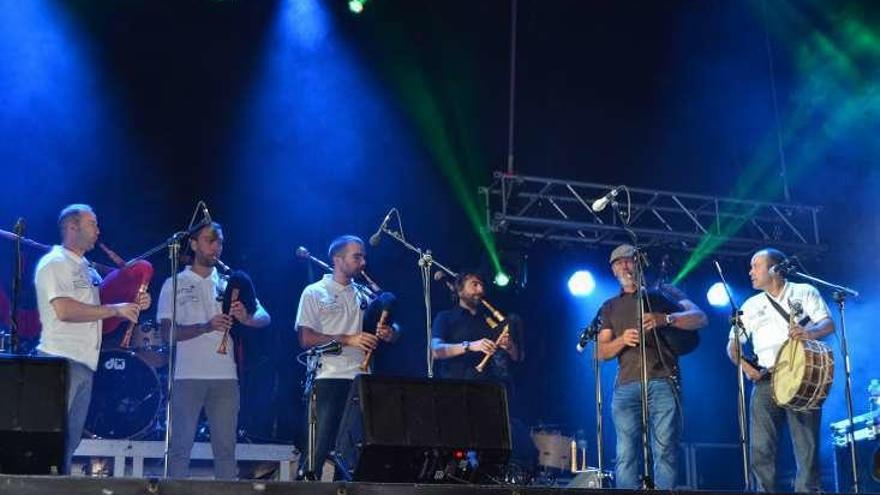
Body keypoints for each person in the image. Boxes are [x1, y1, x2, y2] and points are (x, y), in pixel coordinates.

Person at [34, 204, 151, 473]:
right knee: (51, 442)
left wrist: (132, 305)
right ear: (72, 228)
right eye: (92, 224)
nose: (98, 230)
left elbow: (100, 315)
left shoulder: (87, 269)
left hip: (84, 363)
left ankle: (55, 487)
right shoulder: (55, 263)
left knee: (69, 443)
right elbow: (64, 310)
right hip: (59, 362)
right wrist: (115, 309)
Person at [157, 222, 270, 479]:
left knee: (226, 450)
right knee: (180, 448)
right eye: (210, 240)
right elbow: (167, 334)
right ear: (194, 244)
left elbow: (265, 316)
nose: (216, 247)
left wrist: (247, 318)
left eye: (220, 242)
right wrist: (205, 326)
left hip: (226, 378)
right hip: (187, 377)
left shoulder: (232, 281)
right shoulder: (174, 283)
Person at [596, 244, 707, 489]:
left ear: (640, 264)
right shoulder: (610, 306)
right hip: (626, 386)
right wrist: (622, 340)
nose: (625, 266)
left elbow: (700, 318)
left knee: (665, 450)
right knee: (626, 453)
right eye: (619, 263)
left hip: (663, 379)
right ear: (613, 270)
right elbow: (600, 352)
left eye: (630, 261)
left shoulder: (663, 294)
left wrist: (666, 318)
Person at [726, 248, 834, 492]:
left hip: (801, 373)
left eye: (756, 266)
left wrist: (810, 333)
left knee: (806, 445)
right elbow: (733, 344)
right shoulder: (751, 305)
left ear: (774, 269)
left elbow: (828, 324)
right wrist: (744, 365)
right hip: (766, 378)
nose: (750, 272)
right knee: (761, 447)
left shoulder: (804, 291)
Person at [295, 235, 397, 480]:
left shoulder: (364, 293)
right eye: (357, 256)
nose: (363, 262)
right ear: (338, 259)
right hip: (327, 377)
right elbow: (306, 339)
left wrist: (390, 333)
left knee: (352, 455)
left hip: (361, 380)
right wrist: (347, 338)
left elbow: (395, 330)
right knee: (317, 450)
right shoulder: (314, 292)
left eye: (363, 256)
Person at [430, 271, 520, 382]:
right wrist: (469, 346)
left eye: (482, 286)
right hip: (453, 387)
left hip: (486, 388)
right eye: (475, 284)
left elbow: (517, 358)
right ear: (460, 291)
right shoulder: (445, 317)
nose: (480, 290)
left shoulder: (489, 320)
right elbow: (434, 351)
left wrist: (510, 347)